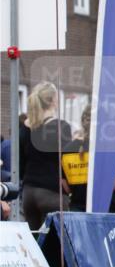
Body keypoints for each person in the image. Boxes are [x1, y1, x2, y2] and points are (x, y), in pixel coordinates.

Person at [19, 82, 72, 231]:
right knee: (57, 245)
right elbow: (67, 160)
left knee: (34, 243)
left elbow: (20, 161)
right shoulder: (61, 127)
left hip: (29, 193)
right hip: (52, 192)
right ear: (54, 100)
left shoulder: (25, 127)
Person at [61, 105, 115, 211]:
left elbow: (66, 188)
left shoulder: (67, 149)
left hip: (77, 212)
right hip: (103, 211)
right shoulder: (108, 149)